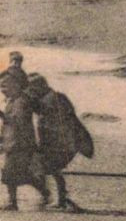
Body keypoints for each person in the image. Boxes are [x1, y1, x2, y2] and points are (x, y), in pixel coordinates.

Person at [25, 74, 91, 212]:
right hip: (60, 142)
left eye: (32, 89)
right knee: (53, 171)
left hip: (61, 143)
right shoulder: (53, 97)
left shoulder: (52, 100)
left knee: (44, 168)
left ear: (40, 86)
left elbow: (58, 122)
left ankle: (55, 197)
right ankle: (59, 198)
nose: (31, 93)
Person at [1, 74, 48, 211]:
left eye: (4, 85)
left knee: (10, 173)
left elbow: (18, 123)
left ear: (15, 85)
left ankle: (13, 202)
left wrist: (2, 116)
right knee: (19, 174)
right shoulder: (14, 100)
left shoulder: (21, 101)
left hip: (20, 144)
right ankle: (43, 190)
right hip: (14, 142)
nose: (2, 89)